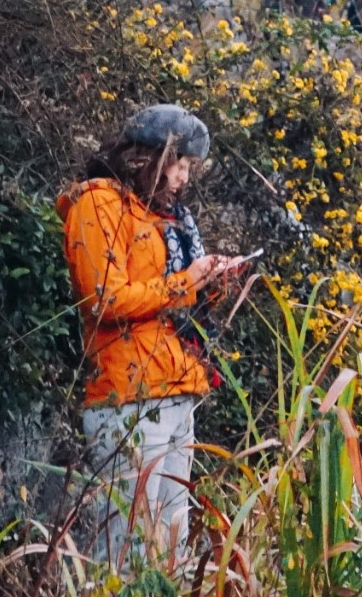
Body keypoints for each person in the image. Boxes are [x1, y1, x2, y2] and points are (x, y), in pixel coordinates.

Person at [59, 105, 250, 566]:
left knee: (171, 546)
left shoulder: (168, 219)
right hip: (126, 396)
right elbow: (105, 300)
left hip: (176, 387)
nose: (184, 178)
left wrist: (213, 283)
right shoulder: (98, 203)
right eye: (179, 165)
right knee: (124, 548)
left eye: (188, 167)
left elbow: (173, 304)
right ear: (148, 159)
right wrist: (188, 281)